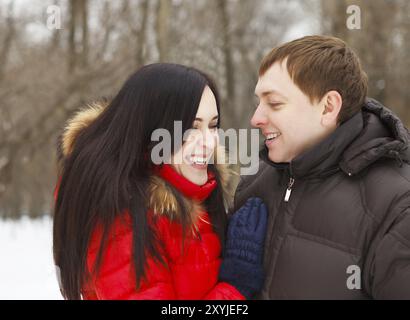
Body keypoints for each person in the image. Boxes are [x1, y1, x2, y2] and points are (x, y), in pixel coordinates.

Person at [53, 63, 267, 300]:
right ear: (151, 131)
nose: (209, 142)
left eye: (213, 126)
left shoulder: (194, 195)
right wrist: (236, 286)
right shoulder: (121, 216)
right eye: (191, 128)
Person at [234, 35, 410, 299]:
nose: (256, 118)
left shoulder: (396, 205)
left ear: (328, 107)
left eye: (274, 103)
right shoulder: (253, 181)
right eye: (258, 102)